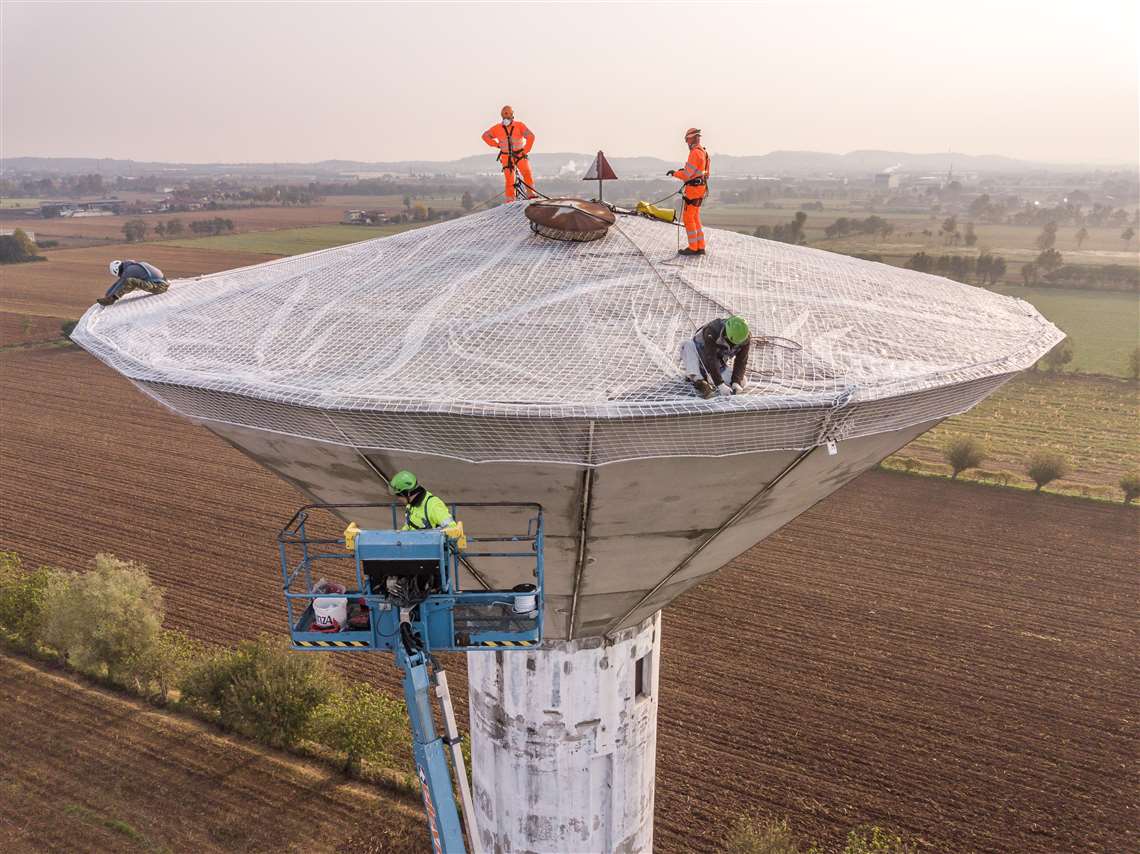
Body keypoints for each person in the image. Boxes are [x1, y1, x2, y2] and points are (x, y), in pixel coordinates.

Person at [681, 315, 751, 398]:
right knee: (687, 345)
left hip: (716, 367)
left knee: (742, 381)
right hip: (698, 358)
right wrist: (720, 384)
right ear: (726, 333)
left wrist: (736, 382)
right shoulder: (712, 330)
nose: (733, 345)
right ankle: (699, 381)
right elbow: (711, 358)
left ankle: (708, 380)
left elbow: (741, 361)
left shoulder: (744, 338)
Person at [667, 128, 710, 256]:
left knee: (688, 218)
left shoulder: (694, 153)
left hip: (693, 190)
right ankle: (700, 246)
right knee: (695, 217)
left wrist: (675, 173)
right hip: (701, 187)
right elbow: (703, 173)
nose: (687, 143)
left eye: (687, 140)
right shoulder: (704, 153)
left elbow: (686, 175)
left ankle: (693, 247)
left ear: (691, 139)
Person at [481, 105, 536, 201]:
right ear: (501, 115)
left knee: (527, 173)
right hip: (506, 157)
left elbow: (531, 136)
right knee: (509, 179)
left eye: (507, 113)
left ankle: (531, 194)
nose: (506, 116)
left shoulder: (520, 126)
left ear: (512, 114)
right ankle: (510, 199)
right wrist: (496, 145)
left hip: (519, 155)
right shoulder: (497, 128)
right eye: (504, 114)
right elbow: (485, 136)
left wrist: (525, 150)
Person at [389, 470, 455, 531]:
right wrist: (400, 535)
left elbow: (452, 529)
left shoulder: (433, 505)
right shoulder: (410, 505)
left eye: (398, 495)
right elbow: (409, 526)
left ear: (407, 494)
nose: (398, 498)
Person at [97, 259, 169, 306]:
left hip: (160, 287)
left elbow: (121, 283)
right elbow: (119, 282)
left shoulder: (129, 271)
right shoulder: (133, 266)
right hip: (163, 283)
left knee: (130, 281)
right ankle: (110, 298)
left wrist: (109, 296)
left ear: (116, 271)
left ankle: (111, 300)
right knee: (131, 281)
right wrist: (107, 294)